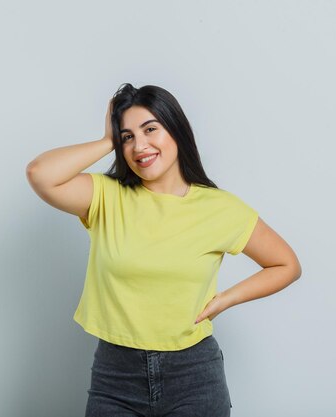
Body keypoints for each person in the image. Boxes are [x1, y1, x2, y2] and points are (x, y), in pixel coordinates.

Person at [26, 83, 302, 417]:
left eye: (150, 129)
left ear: (176, 128)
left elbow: (286, 264)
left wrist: (225, 300)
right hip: (116, 377)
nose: (139, 145)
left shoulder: (221, 208)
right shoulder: (106, 196)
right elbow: (40, 174)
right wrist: (106, 141)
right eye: (127, 136)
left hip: (195, 375)